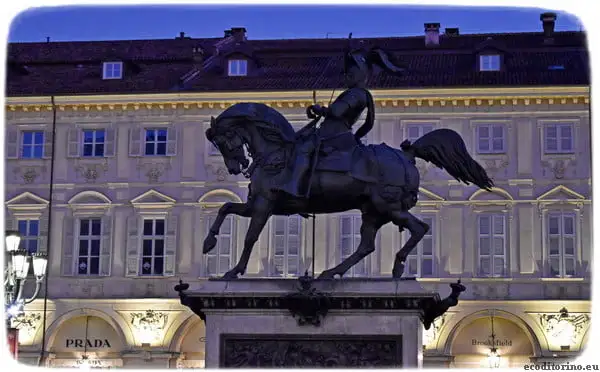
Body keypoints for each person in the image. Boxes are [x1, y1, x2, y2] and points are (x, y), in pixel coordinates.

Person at [277, 45, 407, 198]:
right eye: (347, 74)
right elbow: (369, 123)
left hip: (333, 135)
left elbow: (337, 111)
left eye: (350, 73)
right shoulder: (362, 95)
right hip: (337, 133)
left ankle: (293, 187)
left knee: (302, 149)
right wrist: (357, 136)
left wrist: (321, 110)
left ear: (359, 74)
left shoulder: (356, 93)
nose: (346, 76)